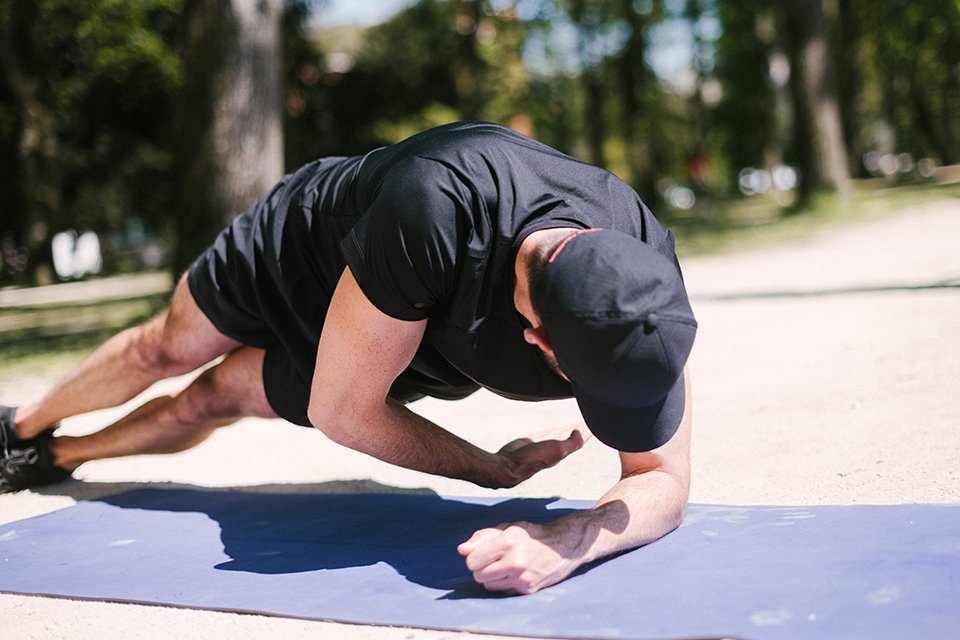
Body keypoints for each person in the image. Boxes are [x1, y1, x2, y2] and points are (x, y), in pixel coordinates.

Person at [0, 121, 696, 595]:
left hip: (408, 335)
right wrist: (487, 467)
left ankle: (59, 457)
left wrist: (571, 541)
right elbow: (342, 411)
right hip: (300, 249)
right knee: (169, 348)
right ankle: (23, 425)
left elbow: (663, 479)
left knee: (215, 396)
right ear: (540, 342)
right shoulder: (440, 203)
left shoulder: (639, 285)